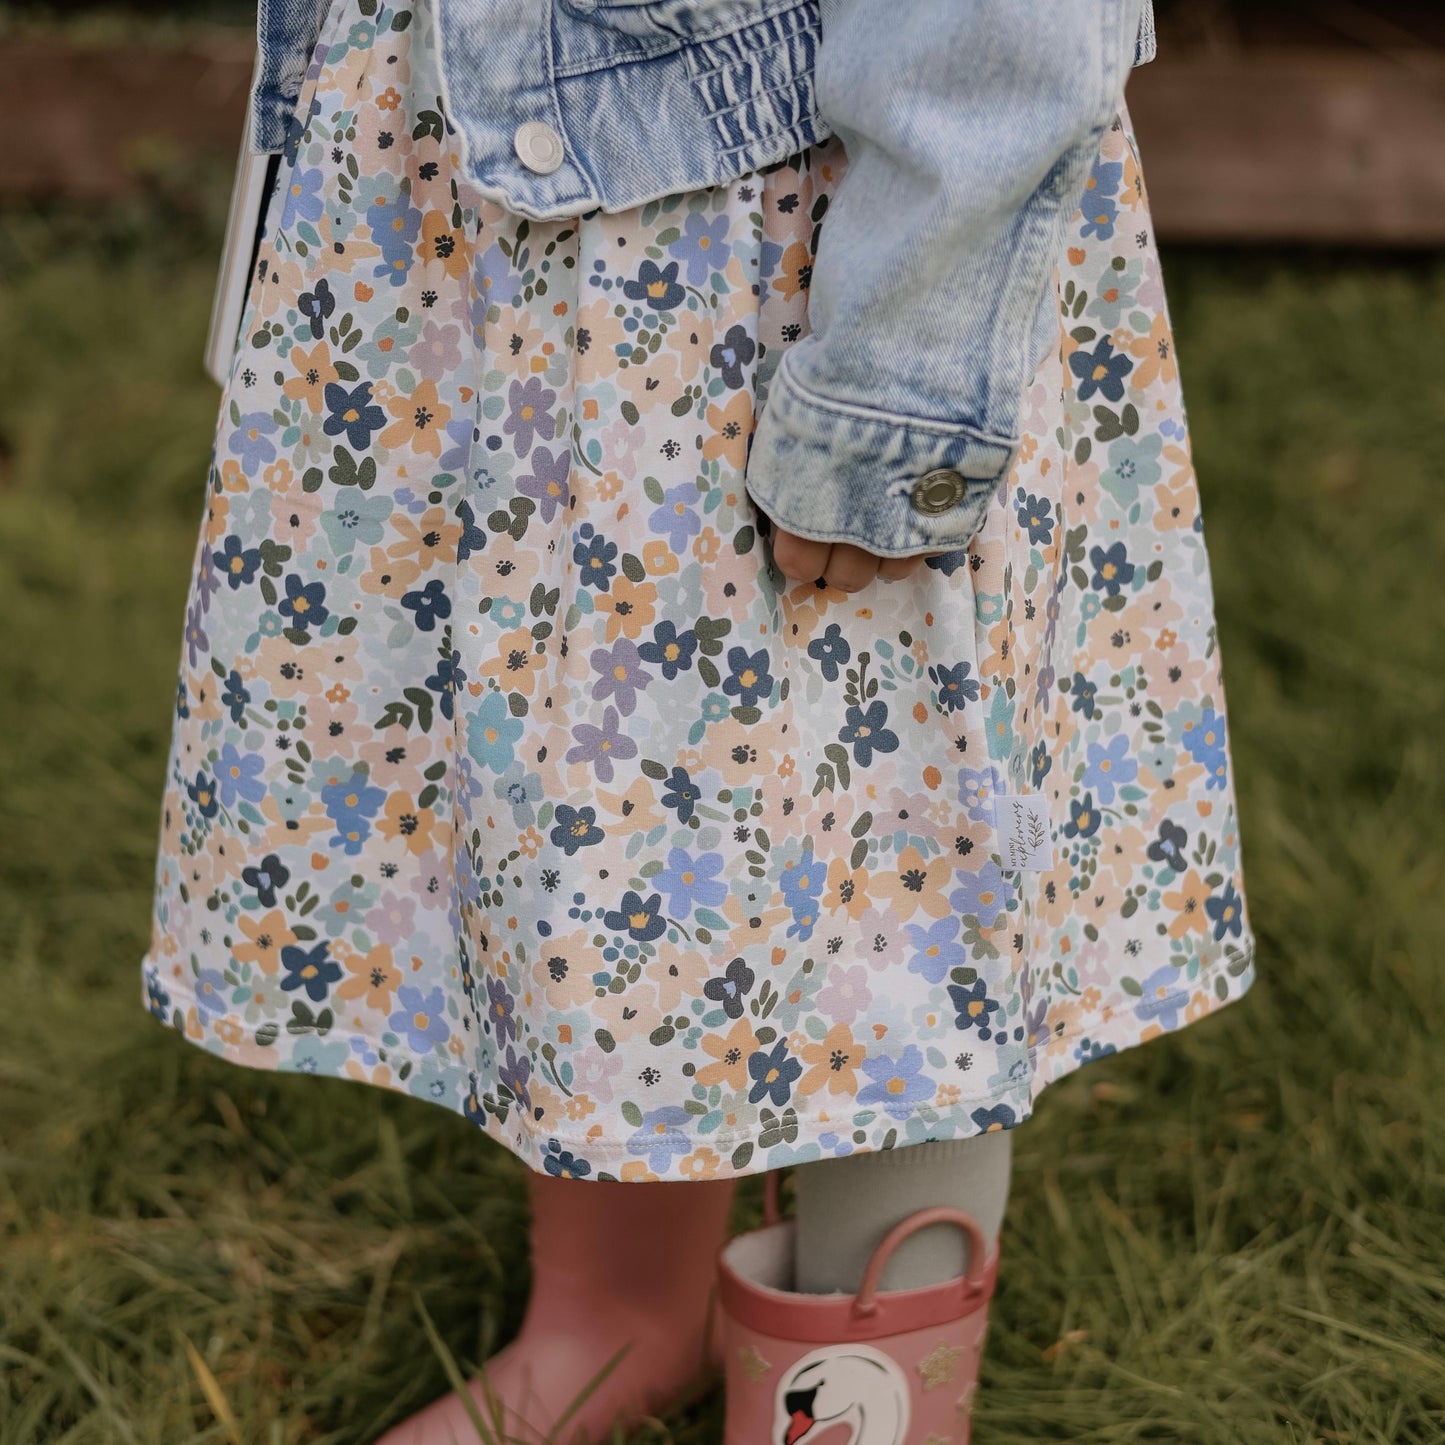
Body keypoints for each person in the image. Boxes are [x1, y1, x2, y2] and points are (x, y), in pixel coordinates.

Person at [139, 0, 1257, 1438]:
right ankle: (614, 1320)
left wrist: (893, 387)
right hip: (505, 227)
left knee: (880, 834)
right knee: (591, 801)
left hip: (778, 269)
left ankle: (856, 1409)